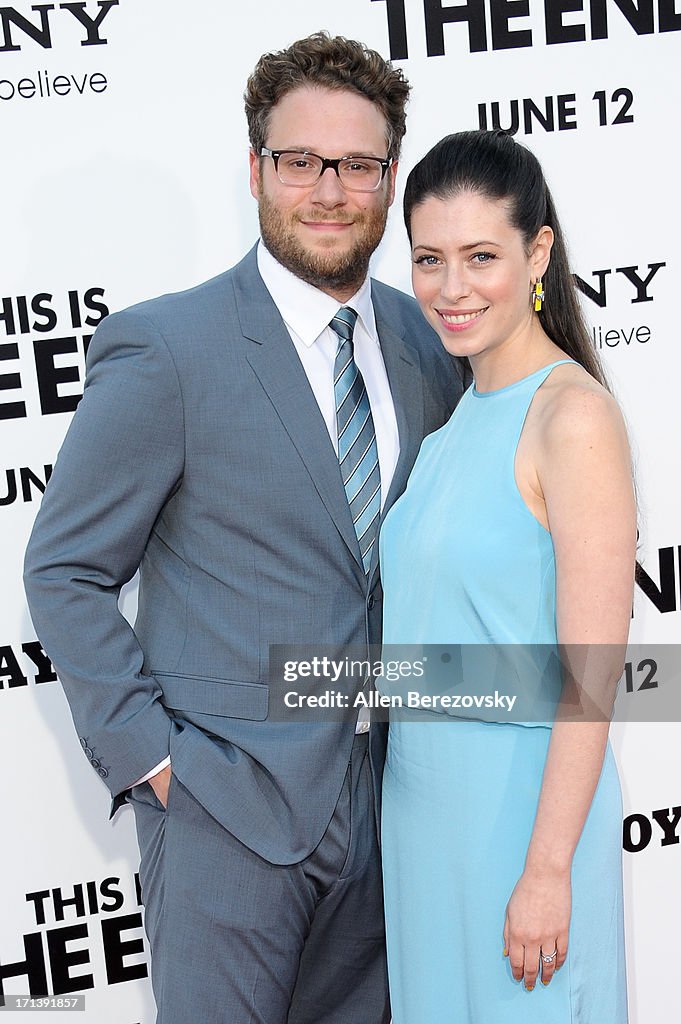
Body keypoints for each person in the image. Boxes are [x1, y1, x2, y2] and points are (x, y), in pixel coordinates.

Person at [22, 33, 469, 1024]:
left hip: (392, 813)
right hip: (229, 814)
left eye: (357, 164)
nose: (328, 189)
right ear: (257, 168)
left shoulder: (426, 345)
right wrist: (157, 762)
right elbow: (63, 568)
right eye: (299, 160)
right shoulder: (170, 348)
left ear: (390, 177)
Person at [378, 130, 636, 1023]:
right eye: (428, 260)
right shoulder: (452, 429)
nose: (452, 290)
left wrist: (547, 869)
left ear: (537, 251)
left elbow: (594, 671)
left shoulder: (572, 418)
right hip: (422, 822)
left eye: (480, 257)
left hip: (522, 825)